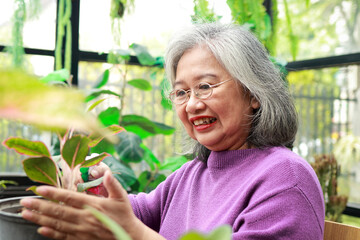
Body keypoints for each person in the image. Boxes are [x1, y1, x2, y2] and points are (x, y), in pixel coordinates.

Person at [20, 22, 325, 240]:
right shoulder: (193, 173)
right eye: (180, 93)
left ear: (254, 93)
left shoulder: (285, 177)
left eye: (205, 87)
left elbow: (134, 228)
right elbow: (138, 211)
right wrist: (94, 184)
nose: (191, 105)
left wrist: (133, 233)